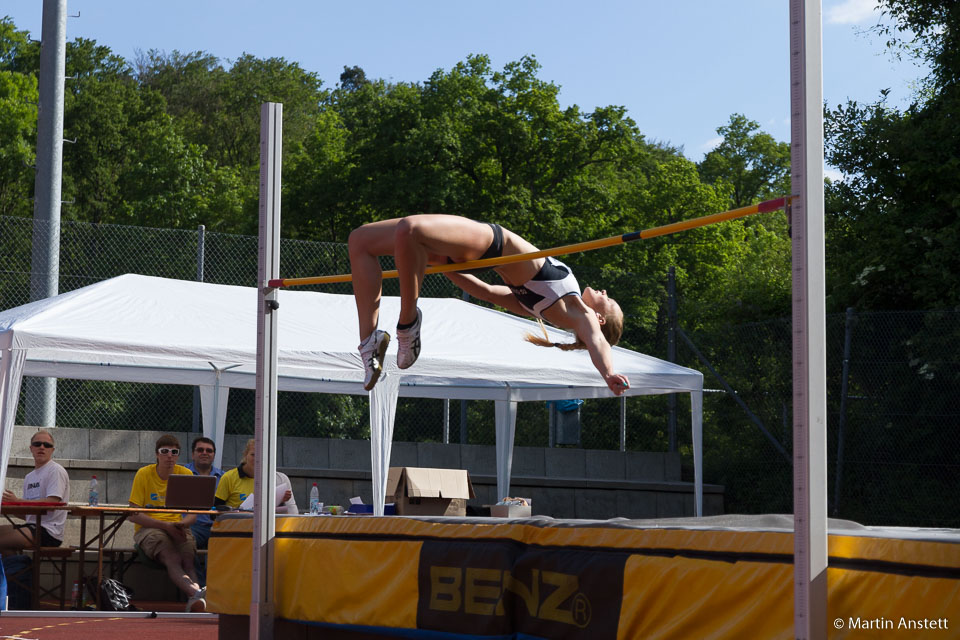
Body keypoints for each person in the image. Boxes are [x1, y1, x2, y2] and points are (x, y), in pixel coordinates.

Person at [348, 214, 631, 393]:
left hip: (492, 243)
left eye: (609, 301)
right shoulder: (542, 308)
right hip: (476, 255)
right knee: (360, 240)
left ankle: (408, 324)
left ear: (600, 318)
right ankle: (369, 341)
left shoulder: (582, 315)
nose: (605, 292)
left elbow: (598, 343)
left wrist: (608, 373)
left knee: (409, 229)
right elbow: (486, 292)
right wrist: (443, 266)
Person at [127, 435, 206, 612]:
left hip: (178, 527)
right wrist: (166, 526)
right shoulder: (144, 474)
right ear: (157, 454)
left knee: (188, 560)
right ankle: (197, 593)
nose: (169, 456)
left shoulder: (186, 474)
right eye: (165, 451)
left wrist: (182, 524)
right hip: (150, 528)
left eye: (174, 452)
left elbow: (193, 514)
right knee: (172, 557)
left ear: (178, 456)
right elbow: (133, 514)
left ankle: (196, 600)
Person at [0, 429, 70, 552]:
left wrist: (17, 501)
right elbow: (28, 514)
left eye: (47, 445)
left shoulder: (56, 471)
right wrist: (7, 505)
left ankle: (17, 568)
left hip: (49, 532)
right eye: (37, 444)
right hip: (31, 527)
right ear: (31, 448)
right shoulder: (29, 477)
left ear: (52, 450)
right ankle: (15, 568)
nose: (42, 447)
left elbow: (52, 503)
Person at [214, 439, 298, 514]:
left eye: (262, 455)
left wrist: (281, 500)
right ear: (245, 455)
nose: (257, 458)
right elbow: (214, 512)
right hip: (234, 527)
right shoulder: (229, 477)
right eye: (253, 454)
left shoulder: (274, 479)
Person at [183, 436, 223, 587]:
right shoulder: (181, 474)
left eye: (209, 450)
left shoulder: (225, 477)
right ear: (193, 454)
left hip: (217, 526)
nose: (204, 453)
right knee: (185, 541)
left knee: (226, 542)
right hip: (191, 527)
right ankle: (199, 589)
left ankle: (212, 589)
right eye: (200, 450)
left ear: (214, 455)